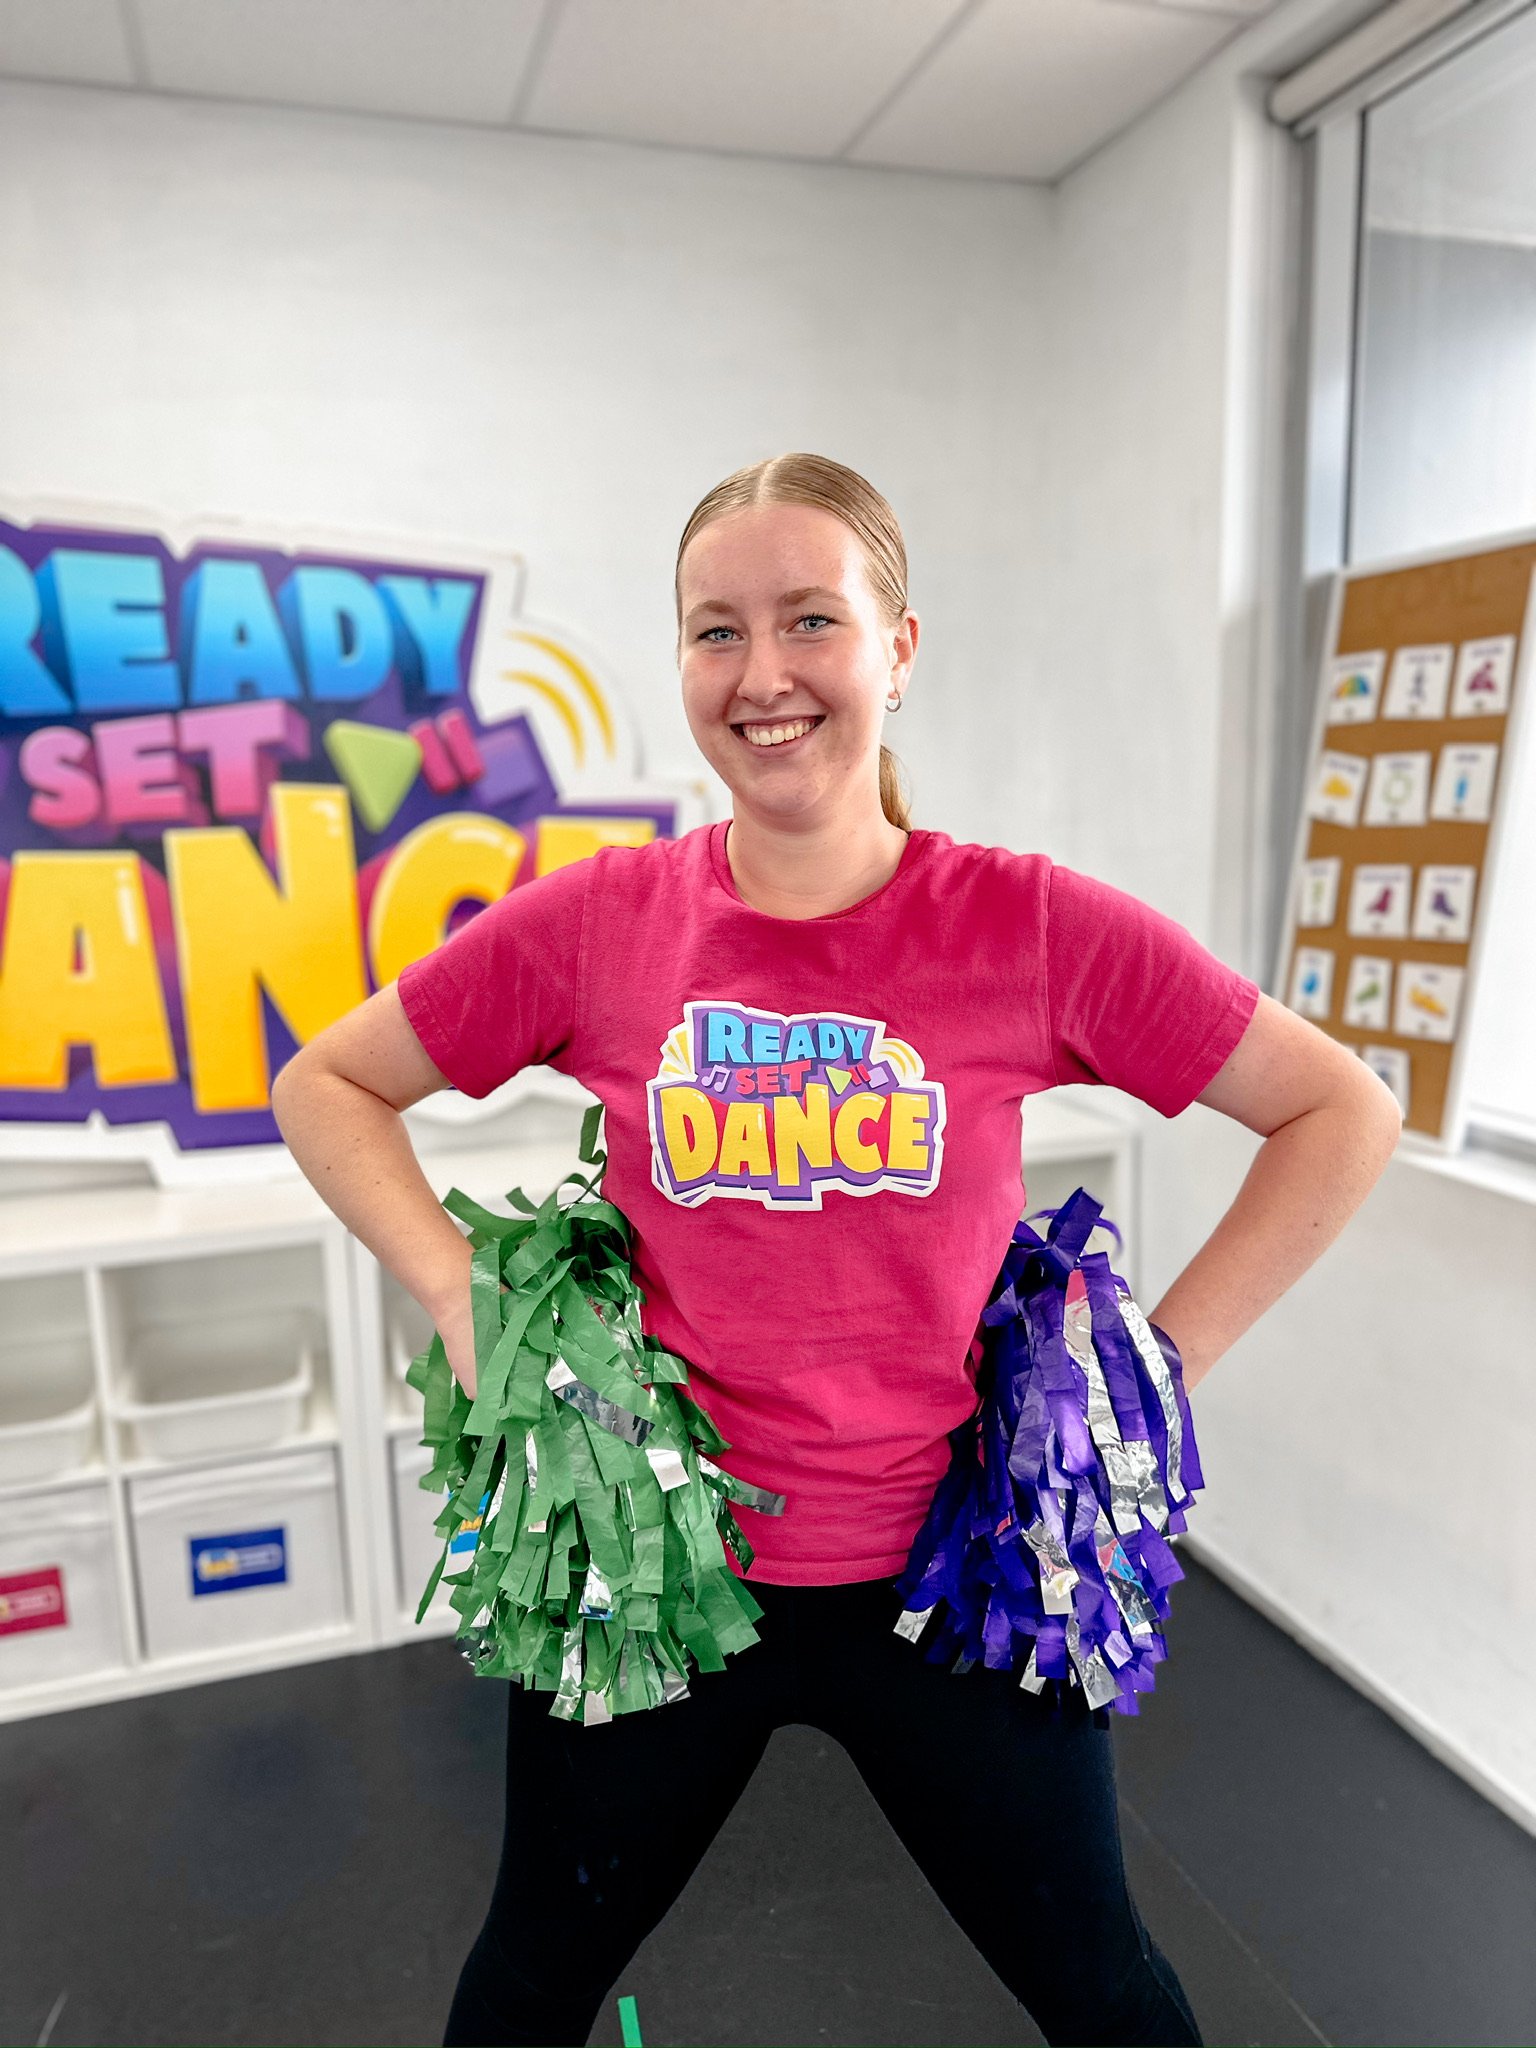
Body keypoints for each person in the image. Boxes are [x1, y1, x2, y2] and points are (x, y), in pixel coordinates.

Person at [273, 452, 1403, 2047]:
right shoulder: (601, 921)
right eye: (714, 631)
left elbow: (1338, 1110)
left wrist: (1159, 1360)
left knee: (1107, 1993)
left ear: (899, 648)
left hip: (951, 1587)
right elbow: (326, 1082)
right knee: (525, 1986)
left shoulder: (1027, 924)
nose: (764, 673)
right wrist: (464, 1298)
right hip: (661, 1586)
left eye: (812, 619)